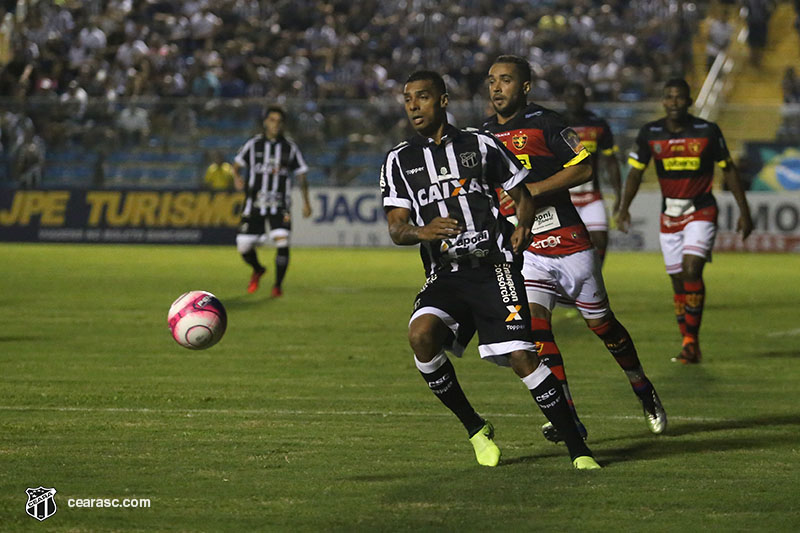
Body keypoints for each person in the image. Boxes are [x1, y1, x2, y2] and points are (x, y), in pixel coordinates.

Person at [381, 70, 600, 470]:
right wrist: (421, 230)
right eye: (408, 98)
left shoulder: (481, 145)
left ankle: (578, 449)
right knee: (421, 335)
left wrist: (524, 227)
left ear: (443, 101)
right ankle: (475, 428)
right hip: (446, 274)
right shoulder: (399, 160)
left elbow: (521, 193)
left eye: (422, 97)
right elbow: (396, 228)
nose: (413, 105)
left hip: (493, 268)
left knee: (521, 357)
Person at [483, 55, 666, 442]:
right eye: (492, 81)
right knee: (534, 329)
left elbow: (583, 169)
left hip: (569, 244)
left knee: (604, 327)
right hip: (529, 251)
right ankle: (567, 417)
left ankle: (641, 385)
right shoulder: (482, 137)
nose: (497, 87)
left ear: (525, 87)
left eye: (506, 80)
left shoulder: (545, 123)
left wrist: (529, 192)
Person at [616, 78, 753, 364]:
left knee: (692, 270)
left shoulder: (706, 131)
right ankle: (688, 341)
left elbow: (728, 170)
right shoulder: (650, 133)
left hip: (701, 210)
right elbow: (635, 173)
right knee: (678, 281)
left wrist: (744, 211)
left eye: (680, 97)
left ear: (689, 101)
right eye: (669, 97)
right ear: (663, 101)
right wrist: (624, 207)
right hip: (669, 215)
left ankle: (692, 341)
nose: (674, 101)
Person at [233, 105, 313, 297]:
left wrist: (306, 202)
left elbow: (301, 175)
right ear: (265, 122)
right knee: (243, 246)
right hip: (254, 204)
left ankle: (277, 286)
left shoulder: (290, 148)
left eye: (279, 121)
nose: (275, 124)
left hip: (279, 204)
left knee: (282, 241)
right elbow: (236, 165)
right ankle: (258, 269)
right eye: (272, 120)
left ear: (283, 124)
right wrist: (236, 177)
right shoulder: (253, 145)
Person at [561, 82, 622, 266]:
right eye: (570, 96)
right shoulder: (555, 124)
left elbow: (611, 161)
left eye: (577, 96)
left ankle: (592, 284)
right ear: (564, 99)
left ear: (585, 99)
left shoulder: (598, 125)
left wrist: (619, 194)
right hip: (564, 198)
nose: (573, 101)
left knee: (600, 241)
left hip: (591, 196)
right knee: (564, 246)